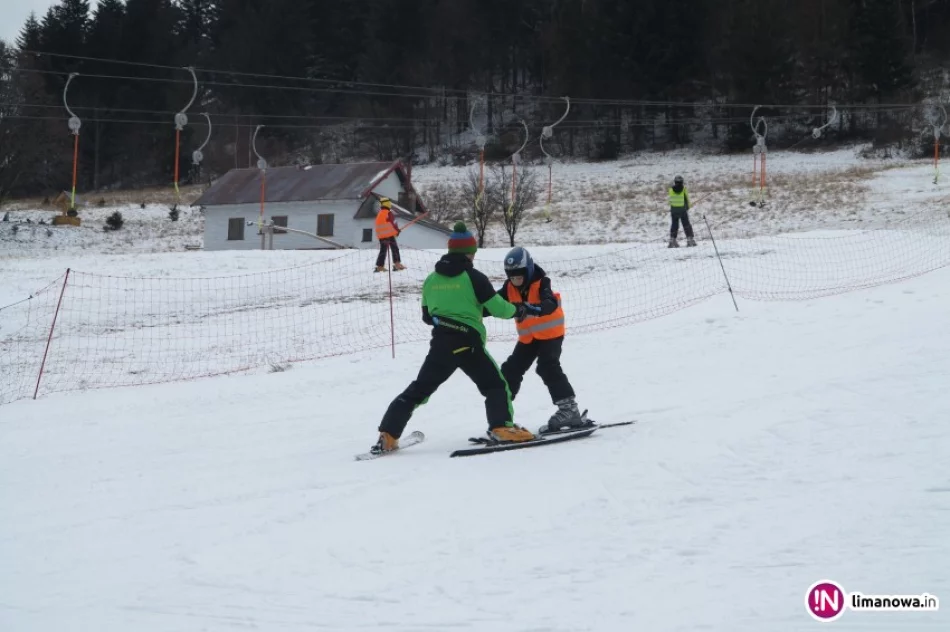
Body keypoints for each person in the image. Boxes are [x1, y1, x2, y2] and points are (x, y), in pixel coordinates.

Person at [372, 222, 541, 454]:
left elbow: (426, 316)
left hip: (441, 345)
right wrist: (519, 309)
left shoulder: (432, 279)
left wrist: (448, 318)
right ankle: (501, 427)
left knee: (419, 390)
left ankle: (388, 434)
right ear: (470, 253)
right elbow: (499, 308)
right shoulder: (474, 277)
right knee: (495, 385)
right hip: (468, 345)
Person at [496, 246, 586, 434]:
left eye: (519, 277)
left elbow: (550, 303)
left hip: (551, 334)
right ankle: (500, 415)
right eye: (512, 277)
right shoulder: (509, 287)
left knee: (547, 366)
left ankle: (570, 410)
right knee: (511, 368)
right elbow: (494, 302)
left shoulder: (542, 282)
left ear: (528, 271)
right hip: (529, 337)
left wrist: (531, 308)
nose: (515, 281)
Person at [374, 197, 407, 272]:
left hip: (381, 236)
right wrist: (397, 231)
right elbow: (393, 223)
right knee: (395, 249)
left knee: (383, 250)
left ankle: (379, 267)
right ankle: (397, 265)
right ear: (387, 203)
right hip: (389, 235)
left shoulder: (380, 213)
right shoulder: (388, 213)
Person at [668, 175, 696, 248]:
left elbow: (670, 200)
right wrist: (688, 207)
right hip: (682, 210)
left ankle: (672, 240)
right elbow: (687, 199)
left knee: (674, 225)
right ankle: (690, 240)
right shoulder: (684, 189)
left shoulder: (671, 190)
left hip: (673, 210)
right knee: (686, 224)